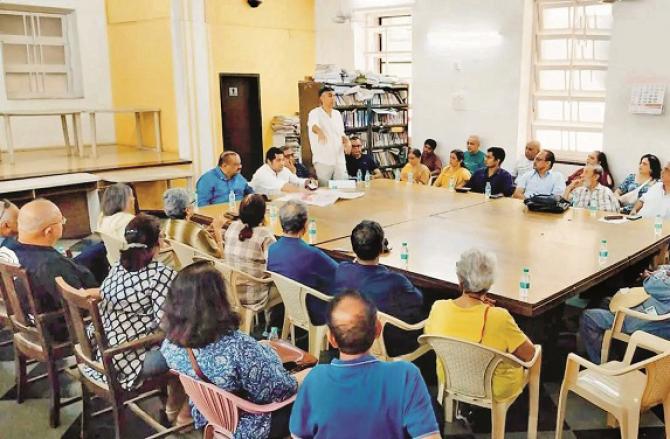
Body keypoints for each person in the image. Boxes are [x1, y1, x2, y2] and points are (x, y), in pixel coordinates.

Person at [161, 261, 302, 438]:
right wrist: (304, 377)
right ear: (218, 301)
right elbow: (283, 390)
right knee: (314, 386)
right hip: (251, 425)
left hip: (210, 415)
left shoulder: (171, 343)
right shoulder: (238, 348)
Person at [289, 291, 440, 439]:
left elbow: (298, 435)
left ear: (331, 339)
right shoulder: (406, 375)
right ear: (378, 329)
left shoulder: (315, 379)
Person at [425, 248, 536, 401]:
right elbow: (529, 355)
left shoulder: (439, 308)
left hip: (450, 378)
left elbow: (430, 340)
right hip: (493, 388)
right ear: (490, 282)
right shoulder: (499, 317)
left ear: (460, 279)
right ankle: (533, 413)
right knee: (537, 352)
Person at [83, 214, 178, 390]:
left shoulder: (119, 266)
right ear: (159, 240)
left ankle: (174, 406)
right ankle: (179, 413)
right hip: (129, 361)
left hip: (104, 353)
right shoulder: (160, 274)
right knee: (193, 350)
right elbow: (167, 324)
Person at [8, 199, 98, 341]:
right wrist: (104, 292)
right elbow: (81, 303)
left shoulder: (9, 250)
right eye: (61, 221)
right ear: (49, 231)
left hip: (31, 318)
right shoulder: (51, 264)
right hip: (63, 329)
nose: (63, 223)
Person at [332, 220, 425, 356]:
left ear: (353, 248)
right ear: (382, 249)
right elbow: (419, 300)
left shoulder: (342, 269)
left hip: (349, 334)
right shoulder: (395, 281)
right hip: (387, 343)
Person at [580, 265, 670, 364]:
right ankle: (603, 348)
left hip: (643, 322)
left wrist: (658, 275)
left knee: (588, 317)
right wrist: (662, 273)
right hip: (648, 309)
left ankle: (601, 364)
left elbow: (651, 285)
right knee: (604, 301)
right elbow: (663, 267)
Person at [268, 200, 339, 322]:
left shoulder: (272, 249)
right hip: (315, 311)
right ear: (305, 225)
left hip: (289, 305)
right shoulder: (312, 255)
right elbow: (340, 274)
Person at [224, 194, 277, 310]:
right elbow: (274, 269)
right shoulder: (265, 235)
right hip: (254, 297)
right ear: (263, 214)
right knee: (284, 286)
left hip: (229, 293)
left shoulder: (232, 226)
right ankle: (275, 325)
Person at [163, 188, 225, 259]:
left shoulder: (168, 224)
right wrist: (218, 231)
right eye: (193, 203)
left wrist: (206, 233)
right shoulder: (197, 232)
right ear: (187, 210)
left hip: (183, 264)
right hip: (203, 266)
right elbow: (220, 256)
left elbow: (190, 235)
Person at [307, 86, 352, 185]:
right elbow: (313, 126)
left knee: (343, 189)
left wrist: (347, 142)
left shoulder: (337, 114)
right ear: (321, 98)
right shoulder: (314, 113)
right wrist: (320, 132)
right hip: (323, 160)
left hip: (339, 159)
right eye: (330, 96)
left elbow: (341, 134)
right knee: (324, 191)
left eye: (334, 96)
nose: (333, 98)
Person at [250, 147, 317, 196]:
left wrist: (309, 182)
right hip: (261, 204)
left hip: (278, 200)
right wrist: (306, 192)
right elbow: (284, 187)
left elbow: (297, 181)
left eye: (282, 160)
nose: (282, 163)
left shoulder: (283, 169)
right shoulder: (263, 173)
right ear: (269, 161)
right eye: (278, 160)